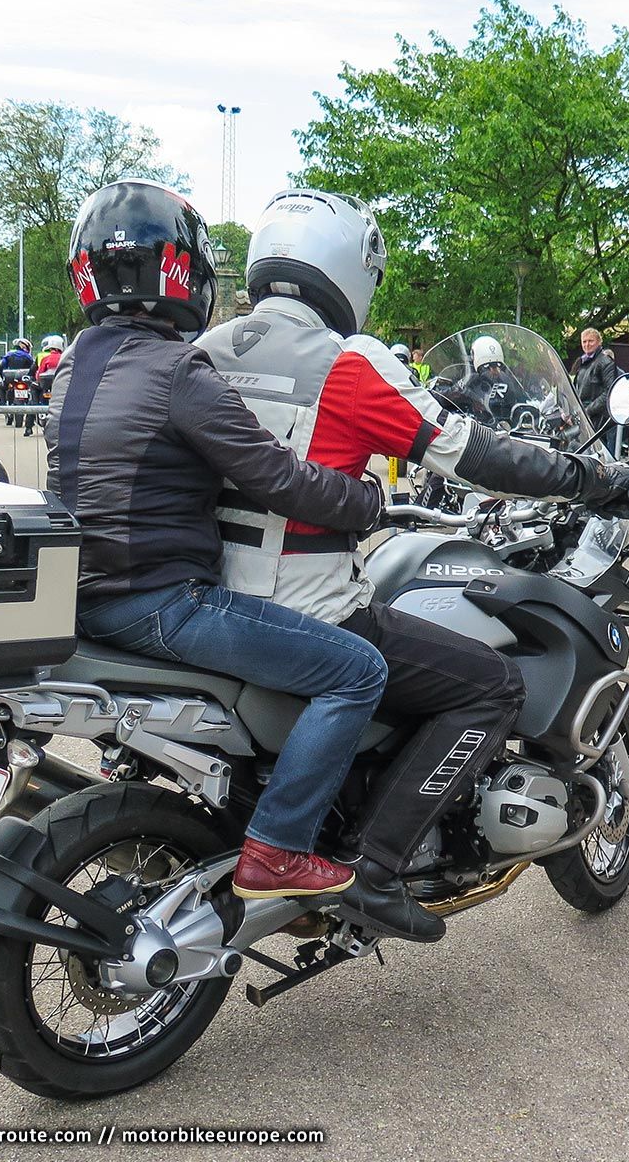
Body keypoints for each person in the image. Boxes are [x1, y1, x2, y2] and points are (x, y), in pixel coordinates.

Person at [196, 188, 629, 942]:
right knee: (489, 686)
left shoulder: (209, 351)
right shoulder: (347, 363)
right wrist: (588, 476)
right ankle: (374, 872)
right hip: (309, 612)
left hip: (214, 606)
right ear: (351, 269)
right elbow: (474, 452)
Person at [50, 179, 390, 901]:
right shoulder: (179, 369)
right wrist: (366, 501)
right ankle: (278, 850)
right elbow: (279, 480)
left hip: (81, 594)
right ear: (183, 273)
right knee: (357, 670)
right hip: (159, 604)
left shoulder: (76, 362)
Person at [573, 327, 622, 448]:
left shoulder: (605, 362)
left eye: (591, 341)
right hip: (584, 418)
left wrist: (588, 410)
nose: (587, 344)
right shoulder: (584, 362)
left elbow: (610, 392)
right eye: (584, 341)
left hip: (598, 420)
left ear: (599, 342)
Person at [31, 334, 64, 436]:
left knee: (33, 398)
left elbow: (39, 373)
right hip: (60, 387)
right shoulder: (64, 357)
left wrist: (37, 381)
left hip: (45, 387)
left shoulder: (46, 358)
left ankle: (29, 426)